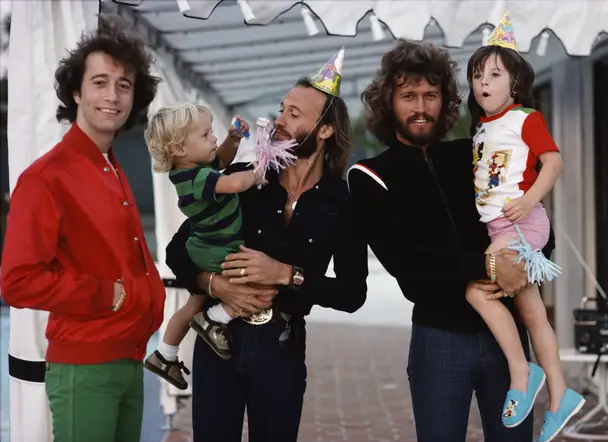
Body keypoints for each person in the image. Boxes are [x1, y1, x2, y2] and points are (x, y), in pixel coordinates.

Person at [347, 39, 555, 441]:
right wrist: (491, 266)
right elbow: (408, 265)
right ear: (388, 102)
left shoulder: (472, 154)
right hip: (438, 342)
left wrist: (532, 259)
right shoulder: (370, 175)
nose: (420, 107)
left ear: (445, 101)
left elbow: (527, 217)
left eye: (431, 95)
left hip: (505, 336)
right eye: (408, 96)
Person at [165, 48, 368, 442]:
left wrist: (286, 275)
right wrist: (212, 284)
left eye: (294, 113)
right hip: (217, 345)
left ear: (324, 130)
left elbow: (351, 294)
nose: (279, 120)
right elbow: (177, 249)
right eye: (282, 108)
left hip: (282, 350)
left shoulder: (342, 204)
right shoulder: (244, 178)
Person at [0, 14, 163, 442]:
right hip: (87, 368)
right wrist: (106, 294)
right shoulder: (47, 177)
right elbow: (18, 281)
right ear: (76, 92)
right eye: (100, 82)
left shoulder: (110, 166)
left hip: (129, 358)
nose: (113, 95)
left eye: (123, 85)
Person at [464, 13, 584, 442]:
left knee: (478, 288)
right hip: (500, 227)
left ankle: (522, 371)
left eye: (494, 74)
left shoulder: (525, 117)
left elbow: (553, 162)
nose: (483, 82)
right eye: (477, 75)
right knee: (533, 315)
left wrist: (529, 199)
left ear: (514, 82)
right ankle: (559, 396)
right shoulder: (482, 128)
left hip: (522, 224)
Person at [143, 103, 264, 389]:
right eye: (206, 134)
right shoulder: (198, 179)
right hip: (219, 250)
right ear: (180, 149)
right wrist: (256, 175)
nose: (213, 138)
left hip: (203, 247)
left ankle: (165, 354)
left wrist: (233, 140)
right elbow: (233, 184)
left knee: (192, 303)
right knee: (255, 289)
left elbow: (221, 159)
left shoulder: (192, 170)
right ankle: (214, 318)